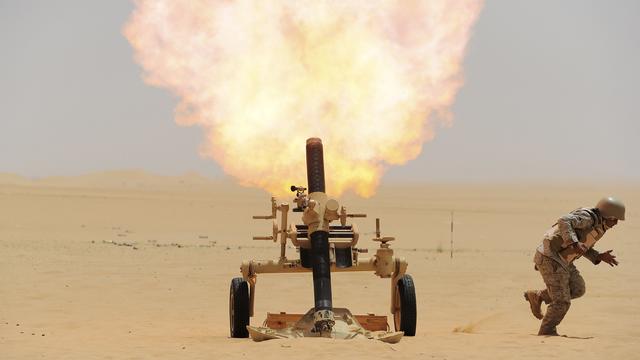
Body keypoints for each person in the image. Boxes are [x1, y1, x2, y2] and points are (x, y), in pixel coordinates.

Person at [524, 197, 625, 336]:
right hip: (550, 258)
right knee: (562, 301)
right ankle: (547, 330)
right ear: (607, 214)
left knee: (577, 289)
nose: (616, 223)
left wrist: (598, 256)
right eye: (615, 219)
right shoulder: (588, 218)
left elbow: (583, 246)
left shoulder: (599, 225)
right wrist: (574, 243)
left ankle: (538, 296)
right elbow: (564, 220)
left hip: (563, 260)